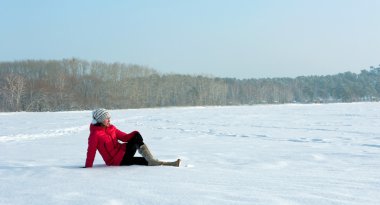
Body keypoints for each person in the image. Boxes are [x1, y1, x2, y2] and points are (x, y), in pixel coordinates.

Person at [85, 108, 180, 168]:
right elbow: (91, 151)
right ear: (101, 120)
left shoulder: (112, 128)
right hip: (116, 161)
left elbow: (125, 137)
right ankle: (154, 161)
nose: (109, 120)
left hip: (123, 153)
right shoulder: (95, 135)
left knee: (145, 158)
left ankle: (169, 164)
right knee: (143, 159)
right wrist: (88, 167)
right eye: (107, 118)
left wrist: (135, 133)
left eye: (109, 118)